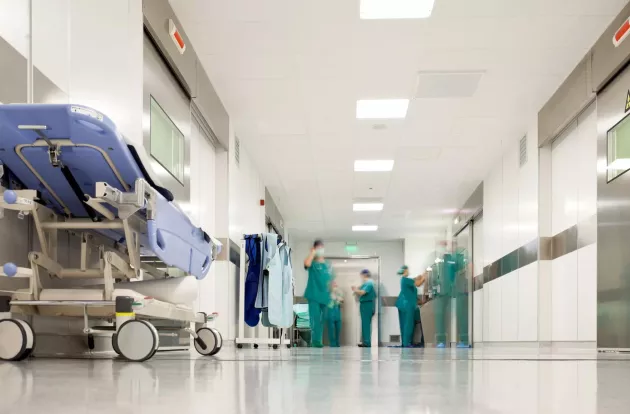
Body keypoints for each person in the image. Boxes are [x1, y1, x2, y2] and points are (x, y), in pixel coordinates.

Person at [303, 239, 332, 348]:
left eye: (322, 248)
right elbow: (306, 264)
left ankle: (318, 340)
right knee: (315, 319)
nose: (321, 250)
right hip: (314, 295)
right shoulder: (312, 262)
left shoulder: (327, 265)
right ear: (315, 249)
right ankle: (315, 341)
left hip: (325, 296)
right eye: (318, 248)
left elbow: (330, 280)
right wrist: (312, 253)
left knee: (322, 320)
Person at [395, 265, 427, 348]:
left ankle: (406, 343)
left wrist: (421, 276)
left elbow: (415, 280)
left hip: (405, 304)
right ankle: (406, 343)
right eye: (407, 270)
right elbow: (418, 283)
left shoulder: (405, 280)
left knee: (406, 324)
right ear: (405, 270)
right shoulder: (405, 280)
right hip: (406, 305)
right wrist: (425, 276)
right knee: (408, 324)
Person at [352, 269, 376, 348]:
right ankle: (365, 341)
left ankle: (367, 342)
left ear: (364, 275)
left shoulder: (369, 283)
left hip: (367, 305)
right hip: (366, 304)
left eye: (361, 275)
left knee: (366, 324)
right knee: (365, 324)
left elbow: (363, 292)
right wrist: (357, 289)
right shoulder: (368, 283)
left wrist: (356, 290)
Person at [326, 281, 343, 347]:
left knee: (338, 328)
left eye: (336, 283)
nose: (335, 285)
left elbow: (342, 301)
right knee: (331, 329)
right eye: (333, 284)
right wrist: (332, 298)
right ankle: (332, 343)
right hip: (330, 312)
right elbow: (327, 302)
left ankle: (337, 342)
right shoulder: (328, 293)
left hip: (337, 313)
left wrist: (338, 298)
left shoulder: (339, 293)